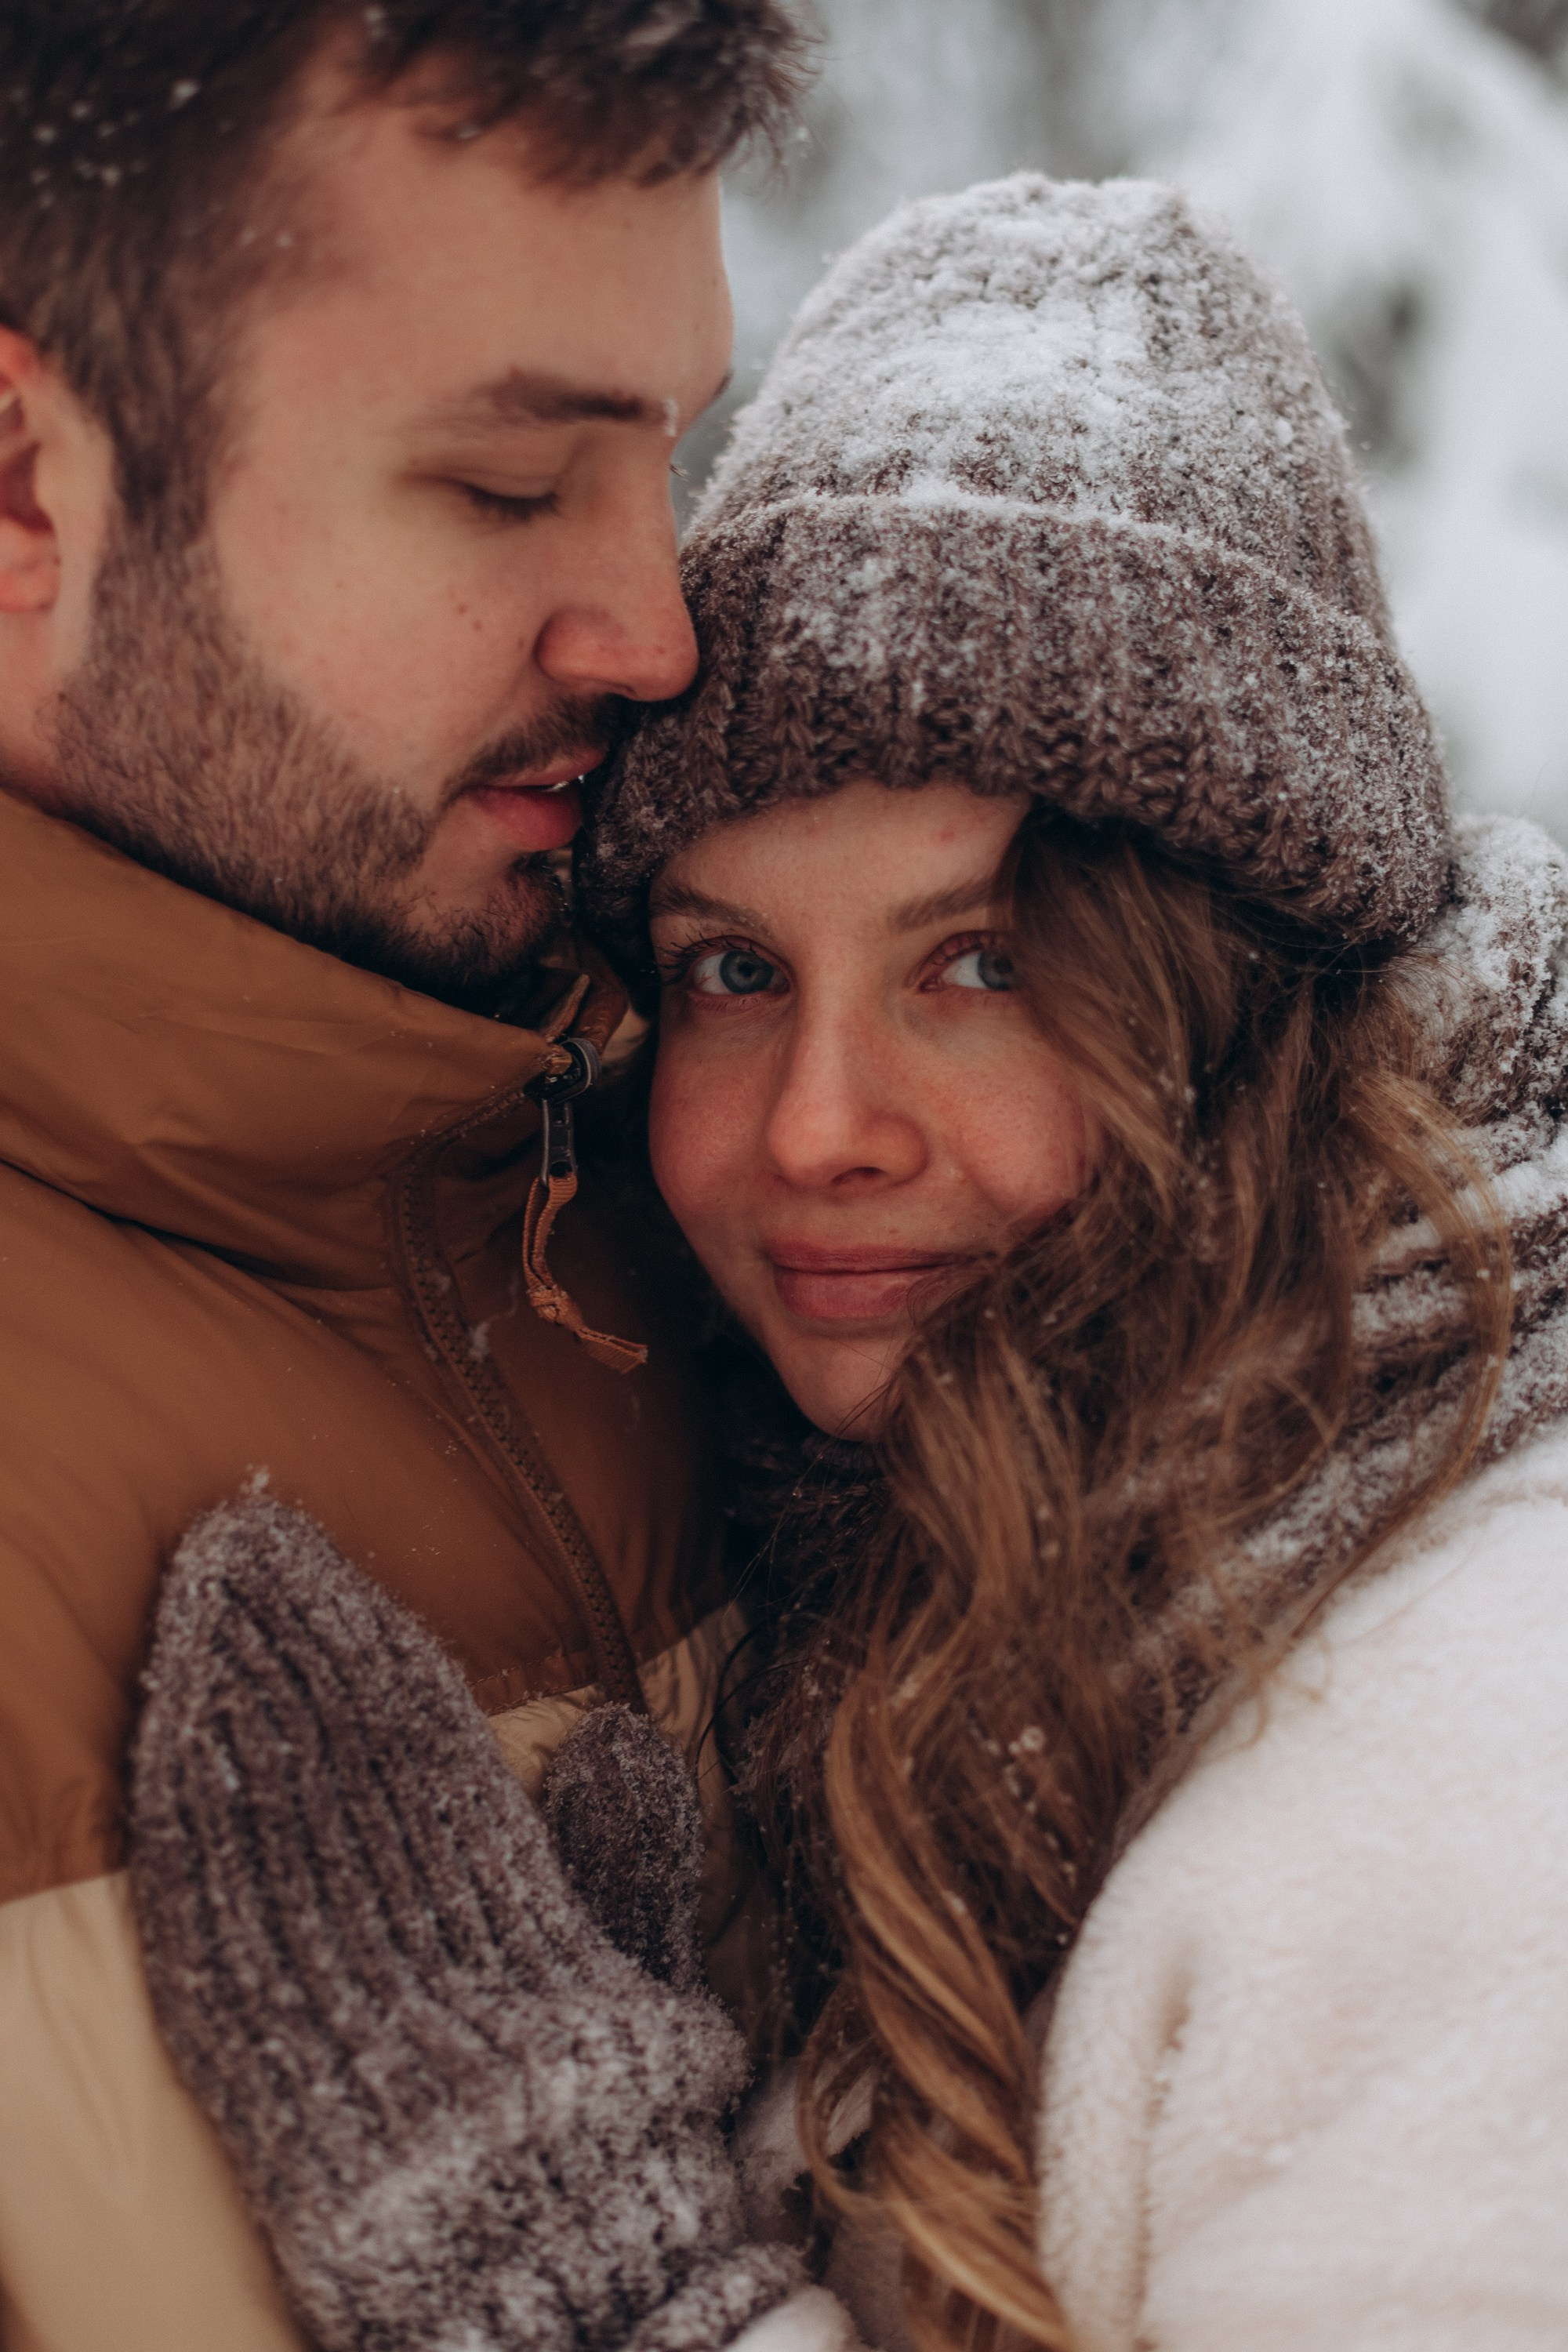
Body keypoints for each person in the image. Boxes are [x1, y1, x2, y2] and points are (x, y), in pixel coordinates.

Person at [128, 176, 1568, 2351]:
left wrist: (600, 2291)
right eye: (727, 968)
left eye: (979, 963)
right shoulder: (928, 1596)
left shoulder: (1482, 1752)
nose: (815, 1126)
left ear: (1243, 1000)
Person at [0, 5, 808, 2347]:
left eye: (674, 453)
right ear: (30, 479)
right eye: (503, 486)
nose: (655, 629)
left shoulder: (709, 1135)